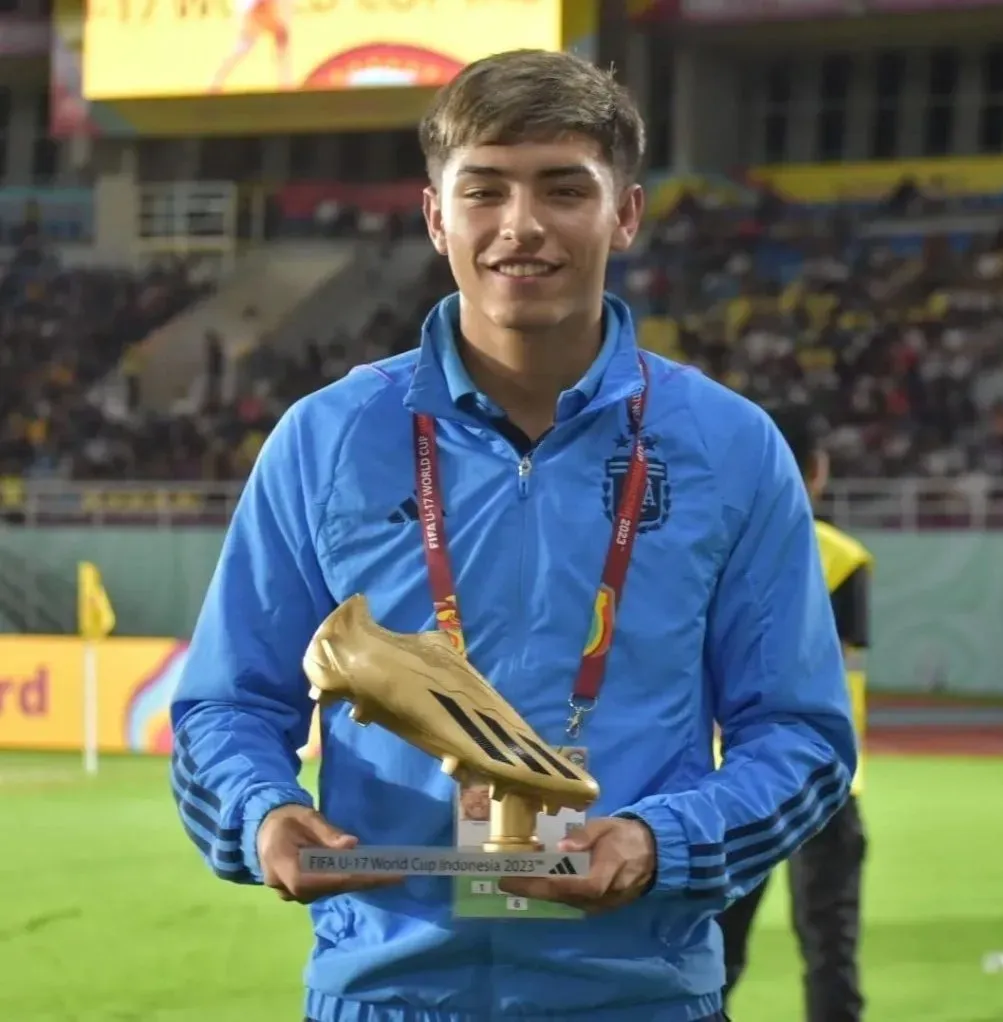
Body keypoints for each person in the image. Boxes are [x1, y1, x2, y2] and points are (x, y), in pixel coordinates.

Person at [169, 48, 857, 1022]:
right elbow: (226, 705)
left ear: (625, 213)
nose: (520, 225)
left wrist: (661, 840)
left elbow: (801, 734)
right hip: (384, 992)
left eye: (562, 189)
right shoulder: (327, 439)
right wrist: (261, 814)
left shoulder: (727, 446)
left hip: (642, 997)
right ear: (434, 215)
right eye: (483, 189)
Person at [717, 406, 872, 1022]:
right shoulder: (844, 557)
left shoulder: (717, 543)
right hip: (827, 781)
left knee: (714, 949)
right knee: (830, 946)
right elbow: (846, 671)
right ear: (818, 471)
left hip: (726, 781)